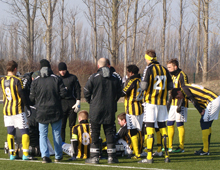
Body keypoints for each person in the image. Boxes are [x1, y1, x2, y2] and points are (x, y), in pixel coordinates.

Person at [84, 58, 121, 164]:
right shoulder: (114, 77)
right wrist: (113, 100)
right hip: (110, 108)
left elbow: (86, 91)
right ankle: (111, 157)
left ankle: (95, 157)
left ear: (98, 66)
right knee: (109, 132)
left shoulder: (94, 77)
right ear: (108, 66)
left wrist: (91, 101)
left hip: (96, 109)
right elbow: (119, 92)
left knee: (95, 132)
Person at [29, 59, 67, 163]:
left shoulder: (36, 80)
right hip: (55, 111)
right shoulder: (57, 79)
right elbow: (64, 94)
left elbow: (31, 98)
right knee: (57, 134)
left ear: (40, 68)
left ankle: (45, 156)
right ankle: (58, 156)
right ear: (49, 67)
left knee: (43, 134)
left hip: (41, 111)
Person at [139, 50, 173, 164]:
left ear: (147, 58)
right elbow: (170, 86)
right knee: (163, 127)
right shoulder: (164, 69)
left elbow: (144, 86)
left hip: (150, 102)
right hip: (162, 102)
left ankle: (149, 156)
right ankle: (166, 155)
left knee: (149, 127)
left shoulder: (148, 69)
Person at [170, 84, 220, 155]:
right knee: (206, 123)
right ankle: (206, 148)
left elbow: (192, 99)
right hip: (213, 100)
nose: (179, 99)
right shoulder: (186, 88)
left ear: (179, 92)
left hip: (212, 101)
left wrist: (200, 110)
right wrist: (202, 109)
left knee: (204, 122)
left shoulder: (184, 89)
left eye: (178, 97)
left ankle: (205, 150)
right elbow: (198, 98)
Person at [0, 60, 34, 160]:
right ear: (15, 69)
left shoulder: (2, 80)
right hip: (18, 110)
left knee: (10, 132)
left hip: (6, 110)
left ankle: (12, 154)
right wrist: (28, 106)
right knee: (25, 132)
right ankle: (25, 154)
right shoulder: (17, 80)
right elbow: (22, 94)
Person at [121, 65, 143, 159]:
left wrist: (122, 85)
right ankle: (140, 151)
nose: (127, 74)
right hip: (141, 108)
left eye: (127, 72)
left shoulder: (132, 81)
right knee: (140, 131)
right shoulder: (141, 80)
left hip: (131, 109)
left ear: (131, 73)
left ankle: (137, 153)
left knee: (133, 131)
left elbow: (123, 92)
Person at [166, 58, 188, 153]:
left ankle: (181, 147)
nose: (168, 69)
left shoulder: (182, 75)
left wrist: (180, 104)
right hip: (173, 105)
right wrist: (168, 103)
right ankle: (169, 146)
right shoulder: (172, 76)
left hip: (181, 103)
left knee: (179, 124)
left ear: (176, 67)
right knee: (169, 123)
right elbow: (171, 91)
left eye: (170, 67)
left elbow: (185, 90)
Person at [58, 62, 81, 142]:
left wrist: (78, 101)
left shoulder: (73, 78)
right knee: (62, 126)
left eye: (63, 70)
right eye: (60, 70)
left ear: (66, 69)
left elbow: (78, 90)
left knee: (73, 126)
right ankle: (62, 144)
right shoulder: (57, 79)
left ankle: (73, 144)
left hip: (72, 103)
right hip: (61, 104)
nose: (62, 72)